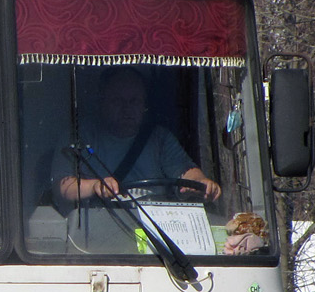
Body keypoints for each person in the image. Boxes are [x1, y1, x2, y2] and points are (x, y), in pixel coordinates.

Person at [54, 67, 221, 204]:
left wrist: (201, 183)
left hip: (153, 228)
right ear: (102, 102)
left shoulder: (159, 139)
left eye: (134, 101)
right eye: (118, 101)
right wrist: (95, 186)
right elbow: (63, 186)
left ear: (144, 105)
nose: (127, 109)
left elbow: (186, 172)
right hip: (98, 231)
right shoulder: (80, 137)